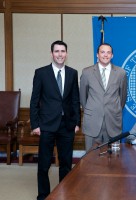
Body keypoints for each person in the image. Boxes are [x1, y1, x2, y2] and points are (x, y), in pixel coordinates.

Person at [30, 40, 81, 200]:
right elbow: (34, 100)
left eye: (63, 51)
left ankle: (63, 193)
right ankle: (43, 195)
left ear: (66, 54)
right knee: (44, 164)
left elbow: (75, 100)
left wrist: (77, 122)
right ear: (52, 54)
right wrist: (35, 124)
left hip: (67, 126)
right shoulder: (41, 73)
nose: (60, 54)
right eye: (57, 51)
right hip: (46, 125)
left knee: (66, 164)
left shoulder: (72, 73)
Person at [80, 43, 127, 151]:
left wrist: (114, 110)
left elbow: (122, 97)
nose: (105, 55)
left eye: (108, 52)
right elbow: (83, 97)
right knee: (90, 159)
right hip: (92, 121)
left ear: (112, 55)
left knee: (113, 161)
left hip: (113, 121)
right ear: (97, 55)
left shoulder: (121, 73)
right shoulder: (87, 72)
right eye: (102, 52)